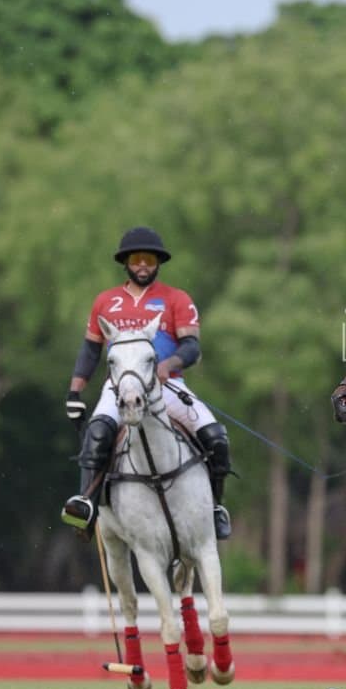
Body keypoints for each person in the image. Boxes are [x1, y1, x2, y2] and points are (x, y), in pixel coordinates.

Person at [60, 226, 234, 541]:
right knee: (98, 433)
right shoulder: (106, 301)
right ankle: (85, 503)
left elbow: (192, 347)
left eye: (150, 260)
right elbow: (90, 349)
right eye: (137, 259)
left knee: (216, 437)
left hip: (167, 387)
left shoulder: (176, 299)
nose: (143, 265)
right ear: (126, 261)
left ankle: (215, 508)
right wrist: (75, 390)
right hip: (119, 389)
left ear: (158, 263)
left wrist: (168, 365)